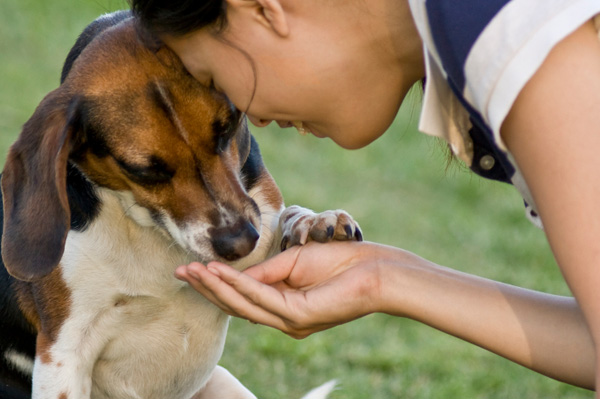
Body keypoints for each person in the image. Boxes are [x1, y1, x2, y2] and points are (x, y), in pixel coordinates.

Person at [130, 0, 600, 393]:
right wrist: (383, 278)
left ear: (260, 8)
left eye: (212, 79)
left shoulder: (506, 27)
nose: (249, 113)